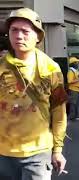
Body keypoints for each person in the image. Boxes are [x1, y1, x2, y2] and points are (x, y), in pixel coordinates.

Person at [0, 8, 67, 179]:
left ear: (38, 36)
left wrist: (58, 150)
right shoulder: (1, 67)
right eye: (14, 30)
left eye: (25, 31)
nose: (19, 36)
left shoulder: (52, 69)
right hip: (3, 153)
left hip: (38, 154)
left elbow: (59, 113)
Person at [67, 57, 79, 121]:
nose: (78, 64)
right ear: (74, 63)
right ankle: (72, 116)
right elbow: (69, 81)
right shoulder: (71, 71)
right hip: (74, 89)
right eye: (77, 62)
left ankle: (77, 115)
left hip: (78, 89)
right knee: (73, 103)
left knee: (77, 103)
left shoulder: (76, 71)